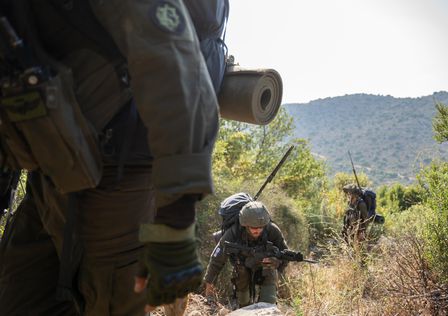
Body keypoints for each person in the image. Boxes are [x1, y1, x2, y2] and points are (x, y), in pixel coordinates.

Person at [0, 1, 218, 315]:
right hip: (52, 169)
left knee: (110, 304)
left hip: (118, 177)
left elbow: (170, 55)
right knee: (19, 298)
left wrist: (176, 219)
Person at [204, 201, 288, 308]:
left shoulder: (272, 230)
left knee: (268, 305)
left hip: (267, 270)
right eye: (253, 227)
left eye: (261, 227)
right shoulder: (234, 232)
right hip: (242, 269)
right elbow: (216, 260)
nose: (257, 230)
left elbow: (285, 255)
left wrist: (277, 263)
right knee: (244, 306)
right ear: (245, 225)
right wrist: (209, 288)